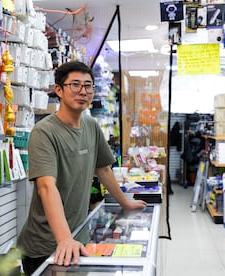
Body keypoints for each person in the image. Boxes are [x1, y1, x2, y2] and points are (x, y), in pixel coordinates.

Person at [17, 61, 147, 275]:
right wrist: (64, 239)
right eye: (75, 85)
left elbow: (103, 169)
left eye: (88, 86)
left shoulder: (91, 125)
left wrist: (125, 202)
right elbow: (46, 187)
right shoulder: (44, 132)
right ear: (58, 90)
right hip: (47, 245)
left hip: (78, 237)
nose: (83, 91)